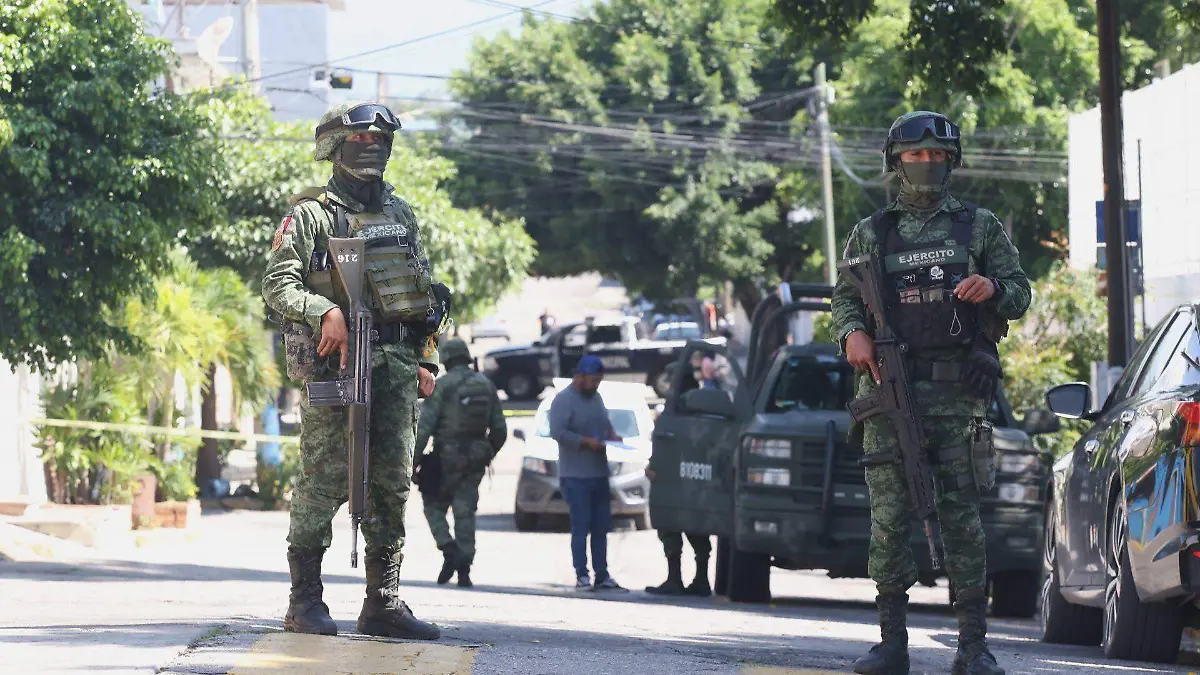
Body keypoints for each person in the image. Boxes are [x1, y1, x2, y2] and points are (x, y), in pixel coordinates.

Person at [831, 111, 1030, 675]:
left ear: (951, 160)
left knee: (961, 519)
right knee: (890, 520)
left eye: (936, 156)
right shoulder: (872, 231)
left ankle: (973, 646)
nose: (925, 165)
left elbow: (1020, 290)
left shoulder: (979, 227)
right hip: (889, 397)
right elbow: (843, 297)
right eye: (915, 156)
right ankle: (891, 642)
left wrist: (993, 286)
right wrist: (854, 334)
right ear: (897, 161)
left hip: (957, 398)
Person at [263, 101, 444, 641]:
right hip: (333, 367)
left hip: (394, 367)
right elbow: (278, 284)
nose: (371, 149)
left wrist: (426, 357)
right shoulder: (311, 215)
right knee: (322, 480)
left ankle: (382, 602)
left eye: (379, 140)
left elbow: (423, 293)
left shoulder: (401, 213)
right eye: (359, 140)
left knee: (391, 484)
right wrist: (326, 312)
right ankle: (304, 601)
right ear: (334, 147)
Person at [413, 338, 507, 589]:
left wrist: (414, 462)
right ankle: (465, 567)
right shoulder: (486, 386)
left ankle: (449, 549)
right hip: (475, 457)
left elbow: (424, 428)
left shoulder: (442, 386)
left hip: (445, 457)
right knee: (465, 510)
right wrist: (486, 451)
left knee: (433, 504)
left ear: (447, 359)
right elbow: (500, 430)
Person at [548, 354, 627, 592]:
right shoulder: (564, 400)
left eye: (599, 381)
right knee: (581, 526)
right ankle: (582, 574)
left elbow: (604, 422)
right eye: (593, 380)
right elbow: (558, 432)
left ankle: (602, 574)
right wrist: (584, 442)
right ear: (579, 377)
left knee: (601, 527)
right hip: (575, 476)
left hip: (599, 473)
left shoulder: (596, 397)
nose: (596, 385)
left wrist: (612, 436)